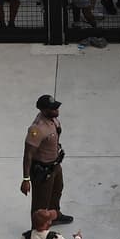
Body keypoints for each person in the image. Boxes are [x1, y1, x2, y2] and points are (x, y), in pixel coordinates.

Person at [21, 94, 74, 228]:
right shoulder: (37, 129)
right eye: (52, 108)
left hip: (55, 165)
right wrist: (26, 179)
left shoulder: (54, 120)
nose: (57, 110)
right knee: (40, 202)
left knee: (57, 190)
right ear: (43, 110)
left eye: (56, 107)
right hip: (43, 170)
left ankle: (54, 216)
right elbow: (28, 155)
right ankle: (37, 230)